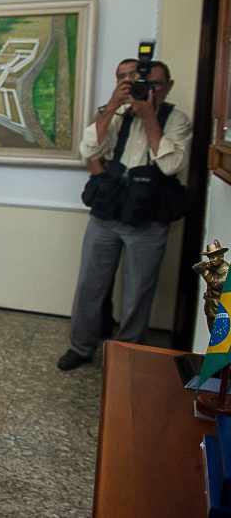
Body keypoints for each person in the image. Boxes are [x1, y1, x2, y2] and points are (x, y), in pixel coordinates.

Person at [58, 58, 192, 370]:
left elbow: (171, 165)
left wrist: (149, 119)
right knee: (90, 285)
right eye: (135, 82)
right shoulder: (116, 113)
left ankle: (128, 355)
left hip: (148, 219)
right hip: (108, 214)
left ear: (168, 87)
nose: (146, 89)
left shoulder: (177, 119)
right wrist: (111, 108)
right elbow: (89, 149)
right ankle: (81, 347)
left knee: (138, 293)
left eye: (155, 84)